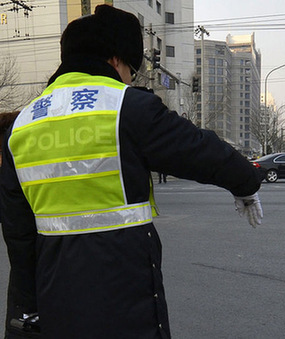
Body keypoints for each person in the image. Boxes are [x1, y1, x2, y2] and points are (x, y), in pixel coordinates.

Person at [0, 5, 263, 339]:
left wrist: (24, 316)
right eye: (131, 70)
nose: (129, 79)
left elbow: (18, 237)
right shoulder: (127, 106)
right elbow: (198, 149)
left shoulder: (21, 127)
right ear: (115, 60)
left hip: (55, 300)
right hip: (126, 297)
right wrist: (246, 182)